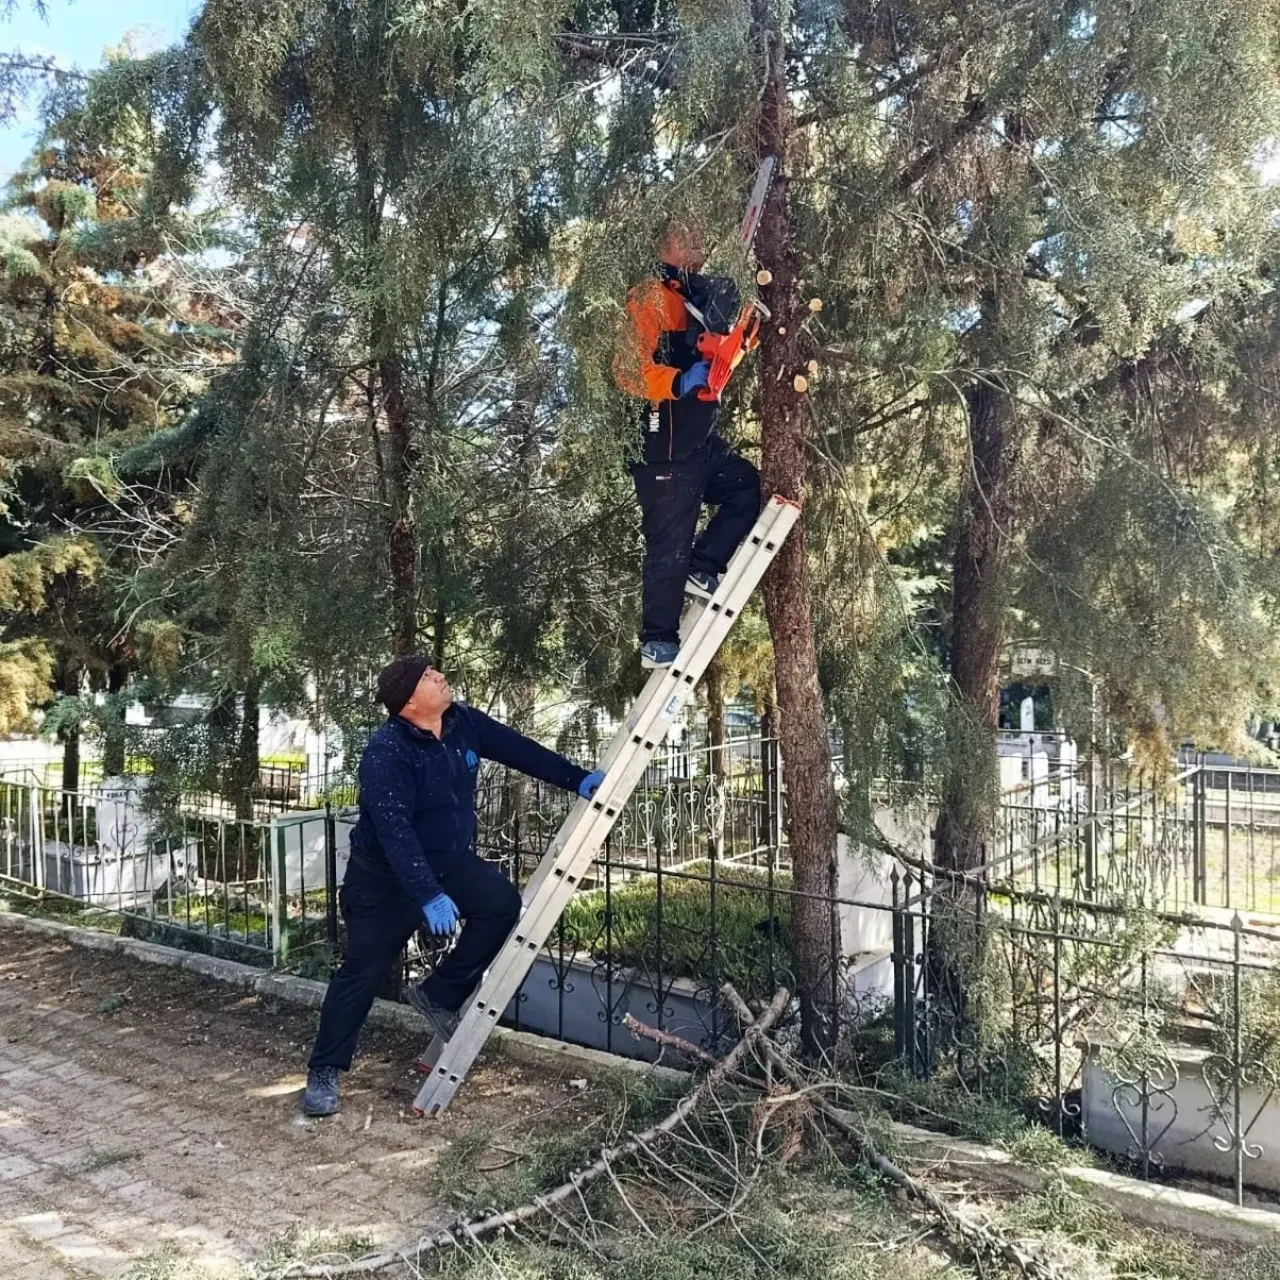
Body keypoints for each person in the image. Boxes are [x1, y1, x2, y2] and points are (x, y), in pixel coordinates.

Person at [301, 655, 604, 1117]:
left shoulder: (462, 723)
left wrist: (576, 778)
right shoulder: (387, 751)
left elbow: (520, 750)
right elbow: (394, 829)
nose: (440, 677)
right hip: (383, 880)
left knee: (501, 906)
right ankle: (325, 1069)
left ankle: (439, 993)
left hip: (447, 862)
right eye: (427, 676)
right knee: (362, 971)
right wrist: (425, 893)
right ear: (407, 702)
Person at [613, 219, 762, 669]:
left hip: (699, 442)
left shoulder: (693, 297)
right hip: (664, 446)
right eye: (688, 237)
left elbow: (719, 359)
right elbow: (627, 370)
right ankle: (657, 638)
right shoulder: (649, 298)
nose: (698, 243)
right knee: (667, 544)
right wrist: (679, 378)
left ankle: (704, 564)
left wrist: (734, 344)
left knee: (744, 487)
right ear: (666, 245)